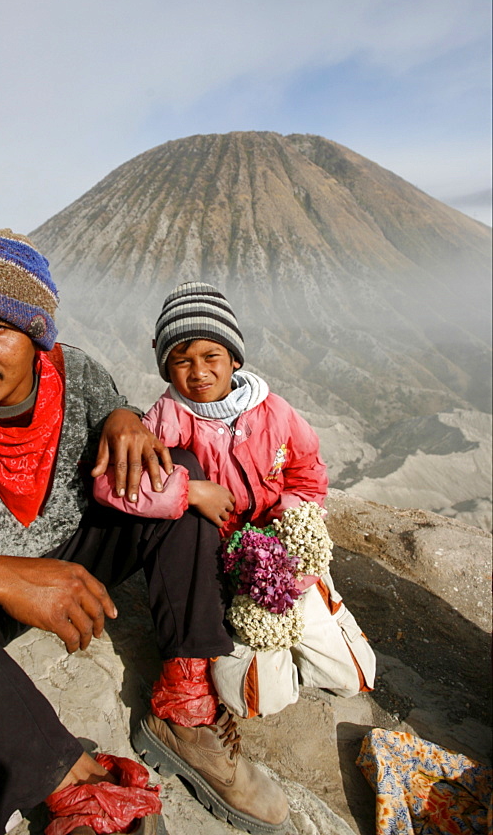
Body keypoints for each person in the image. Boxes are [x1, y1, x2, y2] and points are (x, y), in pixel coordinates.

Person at [0, 235, 292, 835]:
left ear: (37, 335)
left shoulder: (75, 376)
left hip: (72, 560)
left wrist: (123, 419)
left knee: (179, 472)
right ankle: (75, 789)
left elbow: (113, 409)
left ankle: (184, 709)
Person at [94, 283, 376, 771]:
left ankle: (319, 599)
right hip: (222, 571)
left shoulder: (275, 413)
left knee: (353, 678)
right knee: (261, 700)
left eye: (212, 355)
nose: (198, 371)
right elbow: (117, 486)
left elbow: (308, 474)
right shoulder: (166, 420)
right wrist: (191, 492)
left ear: (235, 358)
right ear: (165, 366)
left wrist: (289, 540)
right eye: (181, 360)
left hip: (282, 559)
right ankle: (249, 639)